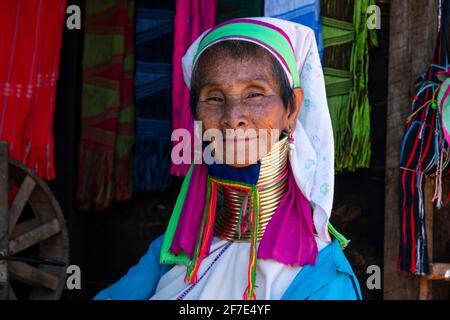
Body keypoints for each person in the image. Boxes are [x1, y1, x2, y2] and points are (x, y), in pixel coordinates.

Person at [94, 17, 362, 300]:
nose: (233, 118)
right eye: (214, 98)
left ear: (292, 108)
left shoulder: (321, 277)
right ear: (195, 114)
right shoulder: (175, 250)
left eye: (255, 94)